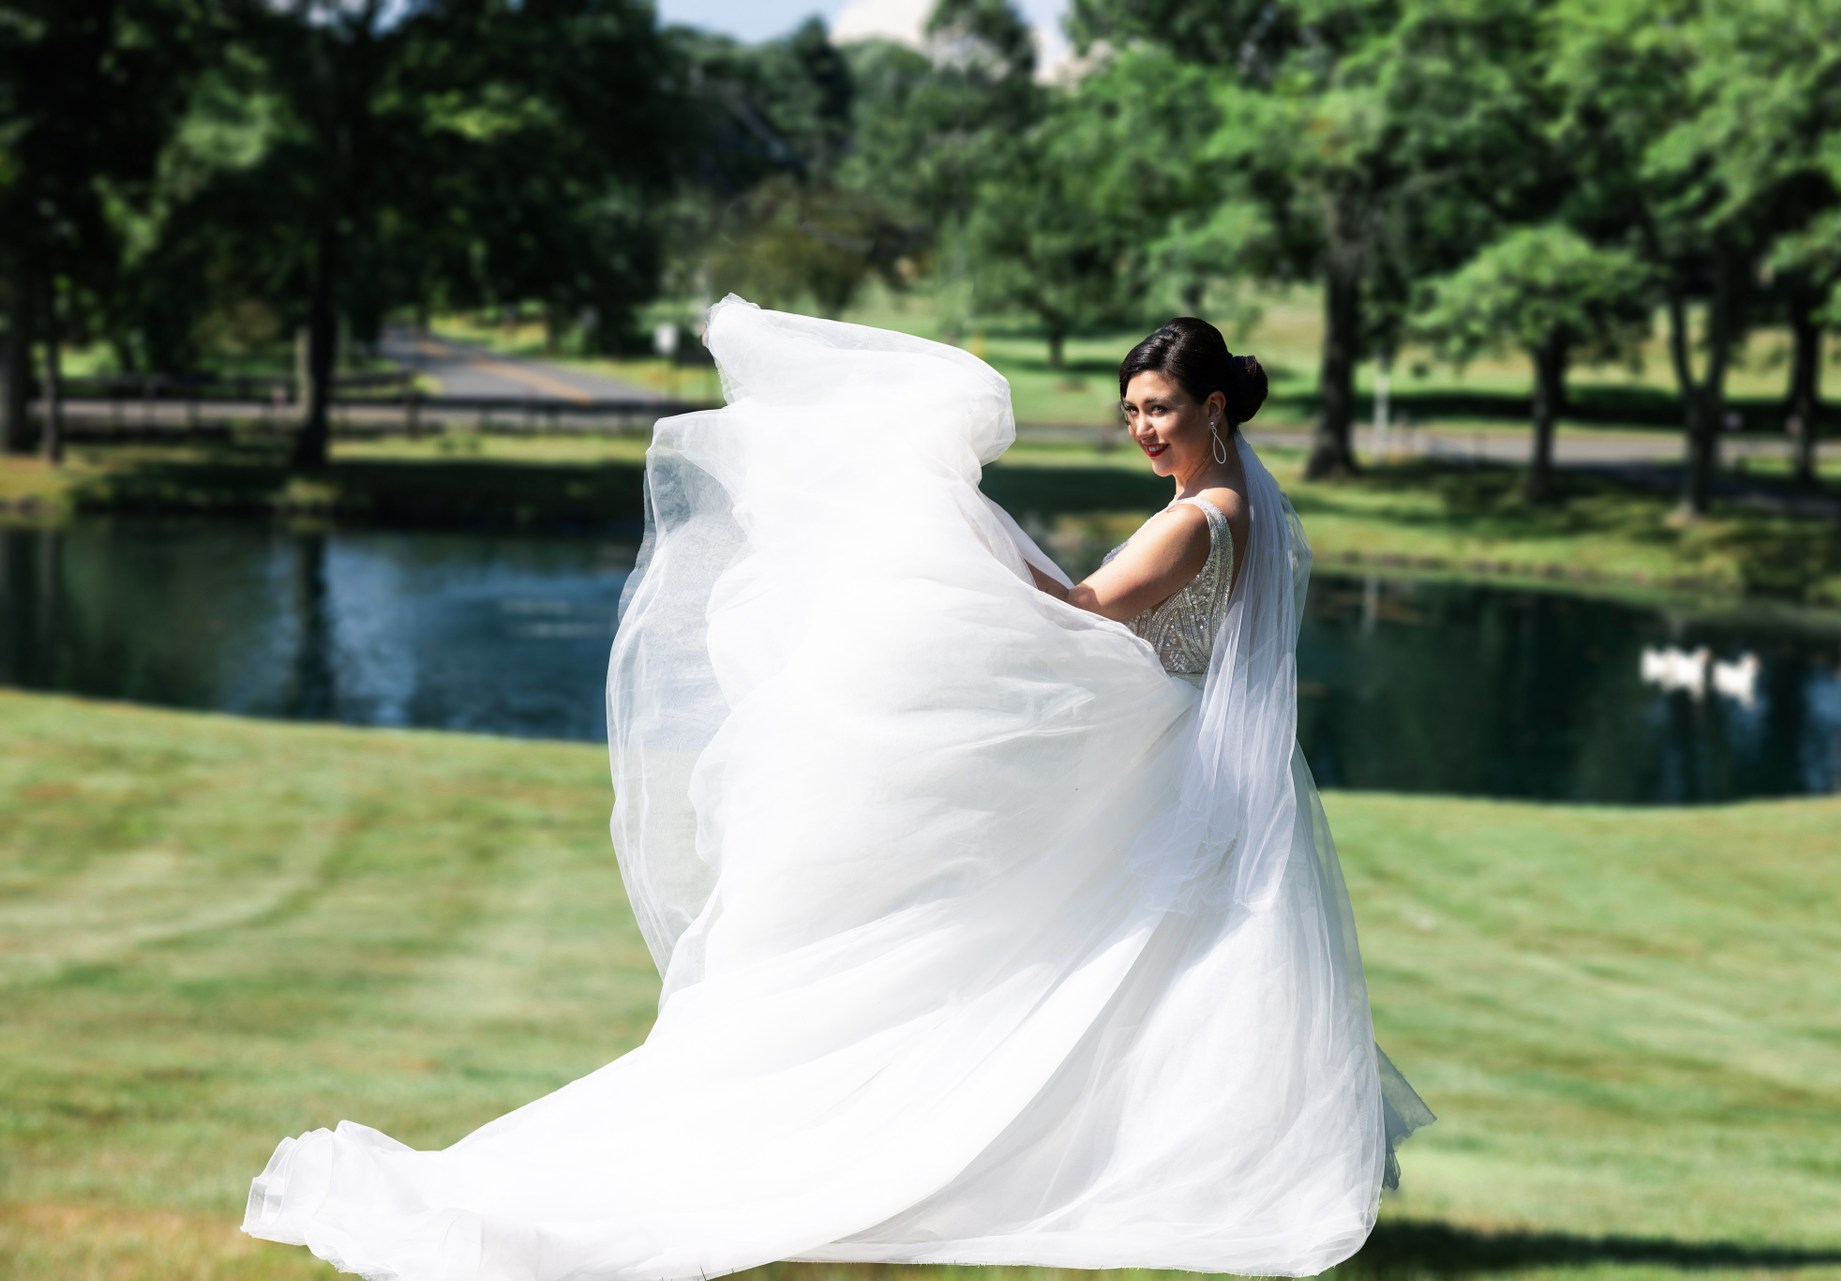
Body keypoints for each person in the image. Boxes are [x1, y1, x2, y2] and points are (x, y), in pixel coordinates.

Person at [241, 297, 1434, 1281]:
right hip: (1197, 757)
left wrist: (968, 534)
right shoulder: (1243, 509)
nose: (1143, 431)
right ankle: (1165, 1157)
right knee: (1146, 967)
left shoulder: (1195, 521)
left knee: (1078, 949)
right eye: (1131, 413)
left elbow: (1083, 613)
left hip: (1161, 750)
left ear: (1214, 407)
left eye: (1160, 409)